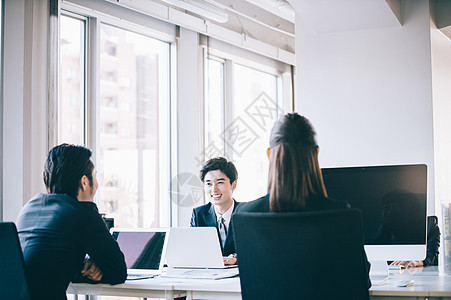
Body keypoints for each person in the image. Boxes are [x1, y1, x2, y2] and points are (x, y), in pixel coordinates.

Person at [236, 112, 371, 288]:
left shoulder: (246, 215)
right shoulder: (340, 214)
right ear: (316, 153)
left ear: (270, 154)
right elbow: (360, 281)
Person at [16, 144, 127, 299]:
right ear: (84, 182)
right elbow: (118, 271)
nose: (97, 184)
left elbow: (48, 264)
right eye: (95, 177)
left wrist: (83, 268)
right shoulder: (83, 213)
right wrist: (95, 268)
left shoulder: (29, 208)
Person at [190, 157, 241, 265]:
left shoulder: (246, 213)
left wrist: (236, 258)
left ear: (234, 184)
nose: (214, 189)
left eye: (220, 183)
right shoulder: (199, 214)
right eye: (209, 184)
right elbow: (194, 250)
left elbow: (257, 248)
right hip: (210, 275)